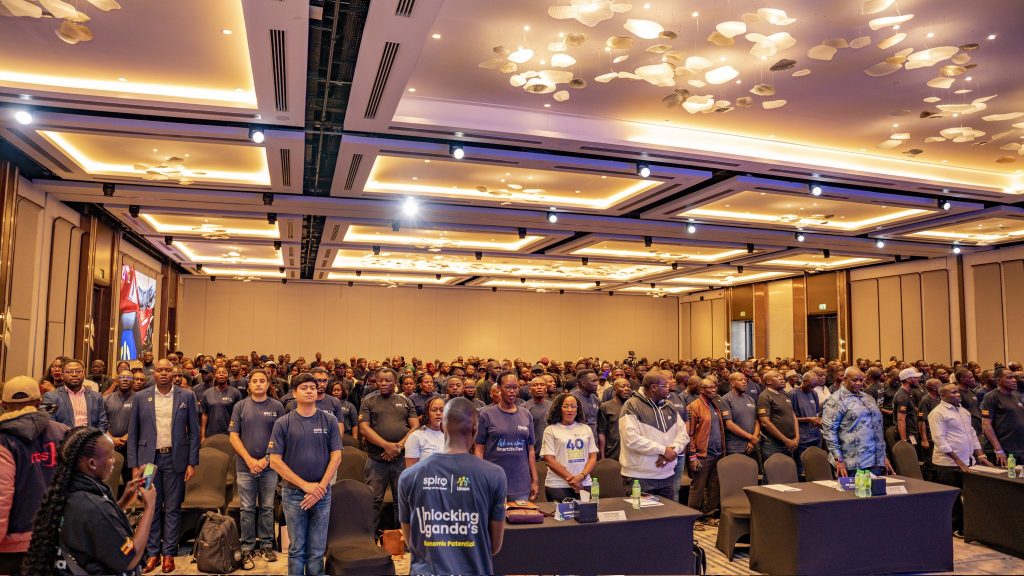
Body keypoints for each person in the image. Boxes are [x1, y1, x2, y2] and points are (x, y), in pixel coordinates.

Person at [21, 427, 156, 576]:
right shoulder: (93, 506)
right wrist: (150, 507)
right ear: (92, 463)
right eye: (110, 456)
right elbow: (130, 559)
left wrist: (125, 500)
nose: (113, 461)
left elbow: (96, 525)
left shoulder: (67, 491)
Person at [398, 398, 506, 575]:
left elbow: (412, 542)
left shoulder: (409, 476)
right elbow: (493, 546)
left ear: (442, 427)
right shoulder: (495, 475)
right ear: (475, 429)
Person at [126, 358, 200, 574]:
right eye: (160, 370)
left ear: (174, 374)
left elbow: (194, 432)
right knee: (151, 508)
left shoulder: (186, 396)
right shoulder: (141, 397)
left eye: (168, 370)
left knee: (173, 508)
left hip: (175, 459)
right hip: (149, 462)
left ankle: (169, 554)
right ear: (154, 373)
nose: (164, 373)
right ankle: (153, 554)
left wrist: (192, 462)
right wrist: (134, 466)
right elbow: (133, 433)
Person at [268, 373, 343, 576]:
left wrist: (319, 488)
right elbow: (275, 461)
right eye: (304, 388)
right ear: (294, 393)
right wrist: (305, 486)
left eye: (312, 387)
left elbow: (336, 456)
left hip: (322, 493)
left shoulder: (329, 420)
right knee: (297, 549)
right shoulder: (283, 423)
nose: (309, 391)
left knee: (317, 550)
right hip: (293, 494)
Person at [0, 376, 69, 575]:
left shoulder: (3, 440)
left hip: (12, 547)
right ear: (39, 402)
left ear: (3, 405)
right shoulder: (64, 432)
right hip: (56, 537)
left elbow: (2, 497)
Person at [228, 369, 285, 565]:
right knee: (247, 509)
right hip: (246, 467)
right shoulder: (240, 406)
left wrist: (266, 460)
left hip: (270, 467)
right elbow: (233, 437)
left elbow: (281, 438)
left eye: (262, 381)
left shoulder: (277, 406)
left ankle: (267, 545)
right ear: (249, 385)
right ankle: (247, 547)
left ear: (268, 384)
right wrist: (250, 460)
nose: (259, 384)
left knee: (267, 508)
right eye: (255, 381)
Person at [359, 368, 418, 533]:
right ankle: (370, 537)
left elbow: (415, 426)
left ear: (395, 382)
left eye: (388, 380)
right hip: (376, 460)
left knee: (402, 500)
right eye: (380, 380)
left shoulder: (406, 401)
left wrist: (398, 447)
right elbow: (364, 428)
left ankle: (402, 536)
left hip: (401, 459)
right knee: (373, 500)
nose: (383, 383)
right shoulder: (368, 401)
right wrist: (386, 446)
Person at [928, 383, 992, 537]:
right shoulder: (937, 413)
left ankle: (969, 525)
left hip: (967, 460)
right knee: (954, 498)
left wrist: (980, 455)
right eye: (953, 393)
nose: (958, 395)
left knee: (969, 495)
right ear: (942, 395)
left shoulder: (963, 411)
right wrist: (958, 461)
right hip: (948, 464)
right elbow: (939, 439)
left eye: (958, 392)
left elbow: (971, 433)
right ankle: (956, 528)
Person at [618, 371, 689, 499]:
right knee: (642, 512)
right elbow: (631, 439)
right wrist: (663, 450)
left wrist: (673, 451)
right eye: (665, 386)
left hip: (667, 475)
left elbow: (683, 434)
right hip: (639, 477)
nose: (669, 388)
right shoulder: (631, 405)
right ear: (654, 387)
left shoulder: (669, 406)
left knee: (668, 512)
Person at [475, 372, 538, 501]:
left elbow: (531, 450)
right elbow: (479, 449)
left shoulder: (526, 414)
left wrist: (535, 480)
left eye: (515, 387)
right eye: (508, 387)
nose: (512, 391)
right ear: (499, 388)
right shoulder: (486, 414)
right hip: (493, 481)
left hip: (521, 483)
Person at [820, 368, 894, 477]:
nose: (859, 383)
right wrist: (838, 459)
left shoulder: (868, 398)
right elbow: (829, 431)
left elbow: (878, 429)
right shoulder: (836, 400)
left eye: (861, 380)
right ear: (845, 379)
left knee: (876, 488)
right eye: (854, 380)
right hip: (851, 463)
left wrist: (883, 456)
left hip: (875, 461)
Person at [540, 393, 598, 502]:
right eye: (565, 406)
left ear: (577, 409)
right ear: (559, 409)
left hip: (584, 483)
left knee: (586, 513)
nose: (569, 410)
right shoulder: (550, 430)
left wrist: (581, 476)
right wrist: (573, 480)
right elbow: (549, 460)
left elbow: (593, 457)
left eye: (573, 406)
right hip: (558, 485)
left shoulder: (586, 429)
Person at [687, 379, 725, 528]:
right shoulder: (694, 406)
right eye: (710, 387)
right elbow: (689, 434)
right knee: (698, 487)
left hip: (717, 452)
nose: (714, 389)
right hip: (702, 454)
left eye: (715, 387)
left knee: (714, 486)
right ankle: (694, 518)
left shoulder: (714, 405)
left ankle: (708, 515)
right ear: (701, 389)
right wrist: (692, 456)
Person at [42, 359, 108, 432]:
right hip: (63, 438)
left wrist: (93, 438)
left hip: (91, 438)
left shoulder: (97, 397)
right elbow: (49, 424)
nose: (74, 374)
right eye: (69, 371)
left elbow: (103, 424)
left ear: (84, 374)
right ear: (62, 375)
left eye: (78, 371)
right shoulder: (49, 397)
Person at [980, 366, 1024, 465]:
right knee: (1007, 475)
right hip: (1003, 450)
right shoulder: (991, 397)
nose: (1014, 380)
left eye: (1014, 377)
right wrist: (998, 450)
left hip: (1018, 448)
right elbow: (986, 424)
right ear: (998, 381)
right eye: (1009, 378)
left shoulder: (1015, 396)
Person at [104, 370, 136, 493]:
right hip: (110, 445)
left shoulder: (139, 399)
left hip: (130, 446)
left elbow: (141, 422)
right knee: (109, 480)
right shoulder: (106, 399)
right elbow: (101, 421)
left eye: (128, 377)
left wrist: (127, 437)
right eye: (122, 377)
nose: (125, 379)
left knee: (130, 482)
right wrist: (111, 439)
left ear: (133, 381)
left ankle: (129, 504)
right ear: (117, 380)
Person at [757, 371, 799, 460]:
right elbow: (765, 422)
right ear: (768, 381)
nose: (781, 379)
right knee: (775, 468)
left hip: (790, 441)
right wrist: (785, 440)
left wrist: (797, 437)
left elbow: (793, 416)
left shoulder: (784, 393)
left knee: (789, 467)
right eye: (777, 376)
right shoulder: (764, 396)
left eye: (782, 377)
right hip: (774, 444)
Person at [790, 371, 823, 477]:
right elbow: (790, 418)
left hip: (815, 435)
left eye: (814, 386)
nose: (812, 388)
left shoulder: (814, 393)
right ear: (803, 381)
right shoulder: (793, 394)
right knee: (801, 468)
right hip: (802, 437)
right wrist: (808, 419)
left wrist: (819, 420)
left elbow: (816, 413)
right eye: (810, 385)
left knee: (814, 467)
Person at [721, 373, 760, 459]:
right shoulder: (726, 399)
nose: (744, 382)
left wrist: (753, 439)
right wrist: (751, 438)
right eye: (740, 380)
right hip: (735, 446)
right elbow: (729, 424)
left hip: (752, 444)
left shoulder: (750, 399)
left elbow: (756, 421)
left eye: (745, 380)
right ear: (732, 383)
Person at [199, 367, 242, 442]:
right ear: (215, 375)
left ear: (228, 375)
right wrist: (202, 435)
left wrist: (237, 435)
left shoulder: (235, 393)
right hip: (210, 434)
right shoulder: (207, 393)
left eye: (224, 373)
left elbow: (239, 416)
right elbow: (204, 415)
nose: (221, 374)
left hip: (229, 434)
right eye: (218, 373)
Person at [405, 396, 445, 467]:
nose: (438, 413)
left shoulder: (453, 435)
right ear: (427, 413)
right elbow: (410, 470)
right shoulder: (415, 437)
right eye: (434, 410)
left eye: (442, 410)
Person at [597, 377, 632, 460]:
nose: (627, 389)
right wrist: (602, 457)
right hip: (613, 454)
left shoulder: (633, 406)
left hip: (631, 454)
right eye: (623, 386)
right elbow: (602, 433)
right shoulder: (606, 407)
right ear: (615, 389)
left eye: (628, 386)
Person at [570, 369, 600, 445]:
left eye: (597, 380)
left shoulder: (595, 398)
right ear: (583, 383)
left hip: (593, 443)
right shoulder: (572, 398)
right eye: (593, 381)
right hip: (577, 443)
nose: (597, 383)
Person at [894, 367, 923, 449]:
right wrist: (904, 441)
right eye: (915, 378)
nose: (918, 380)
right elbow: (901, 420)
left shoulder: (908, 393)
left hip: (912, 431)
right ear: (907, 379)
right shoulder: (902, 396)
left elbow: (911, 409)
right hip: (908, 435)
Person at [525, 377, 552, 458]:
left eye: (542, 384)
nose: (539, 387)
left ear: (546, 388)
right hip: (534, 454)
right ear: (530, 389)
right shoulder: (524, 408)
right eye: (535, 385)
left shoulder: (553, 406)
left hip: (552, 453)